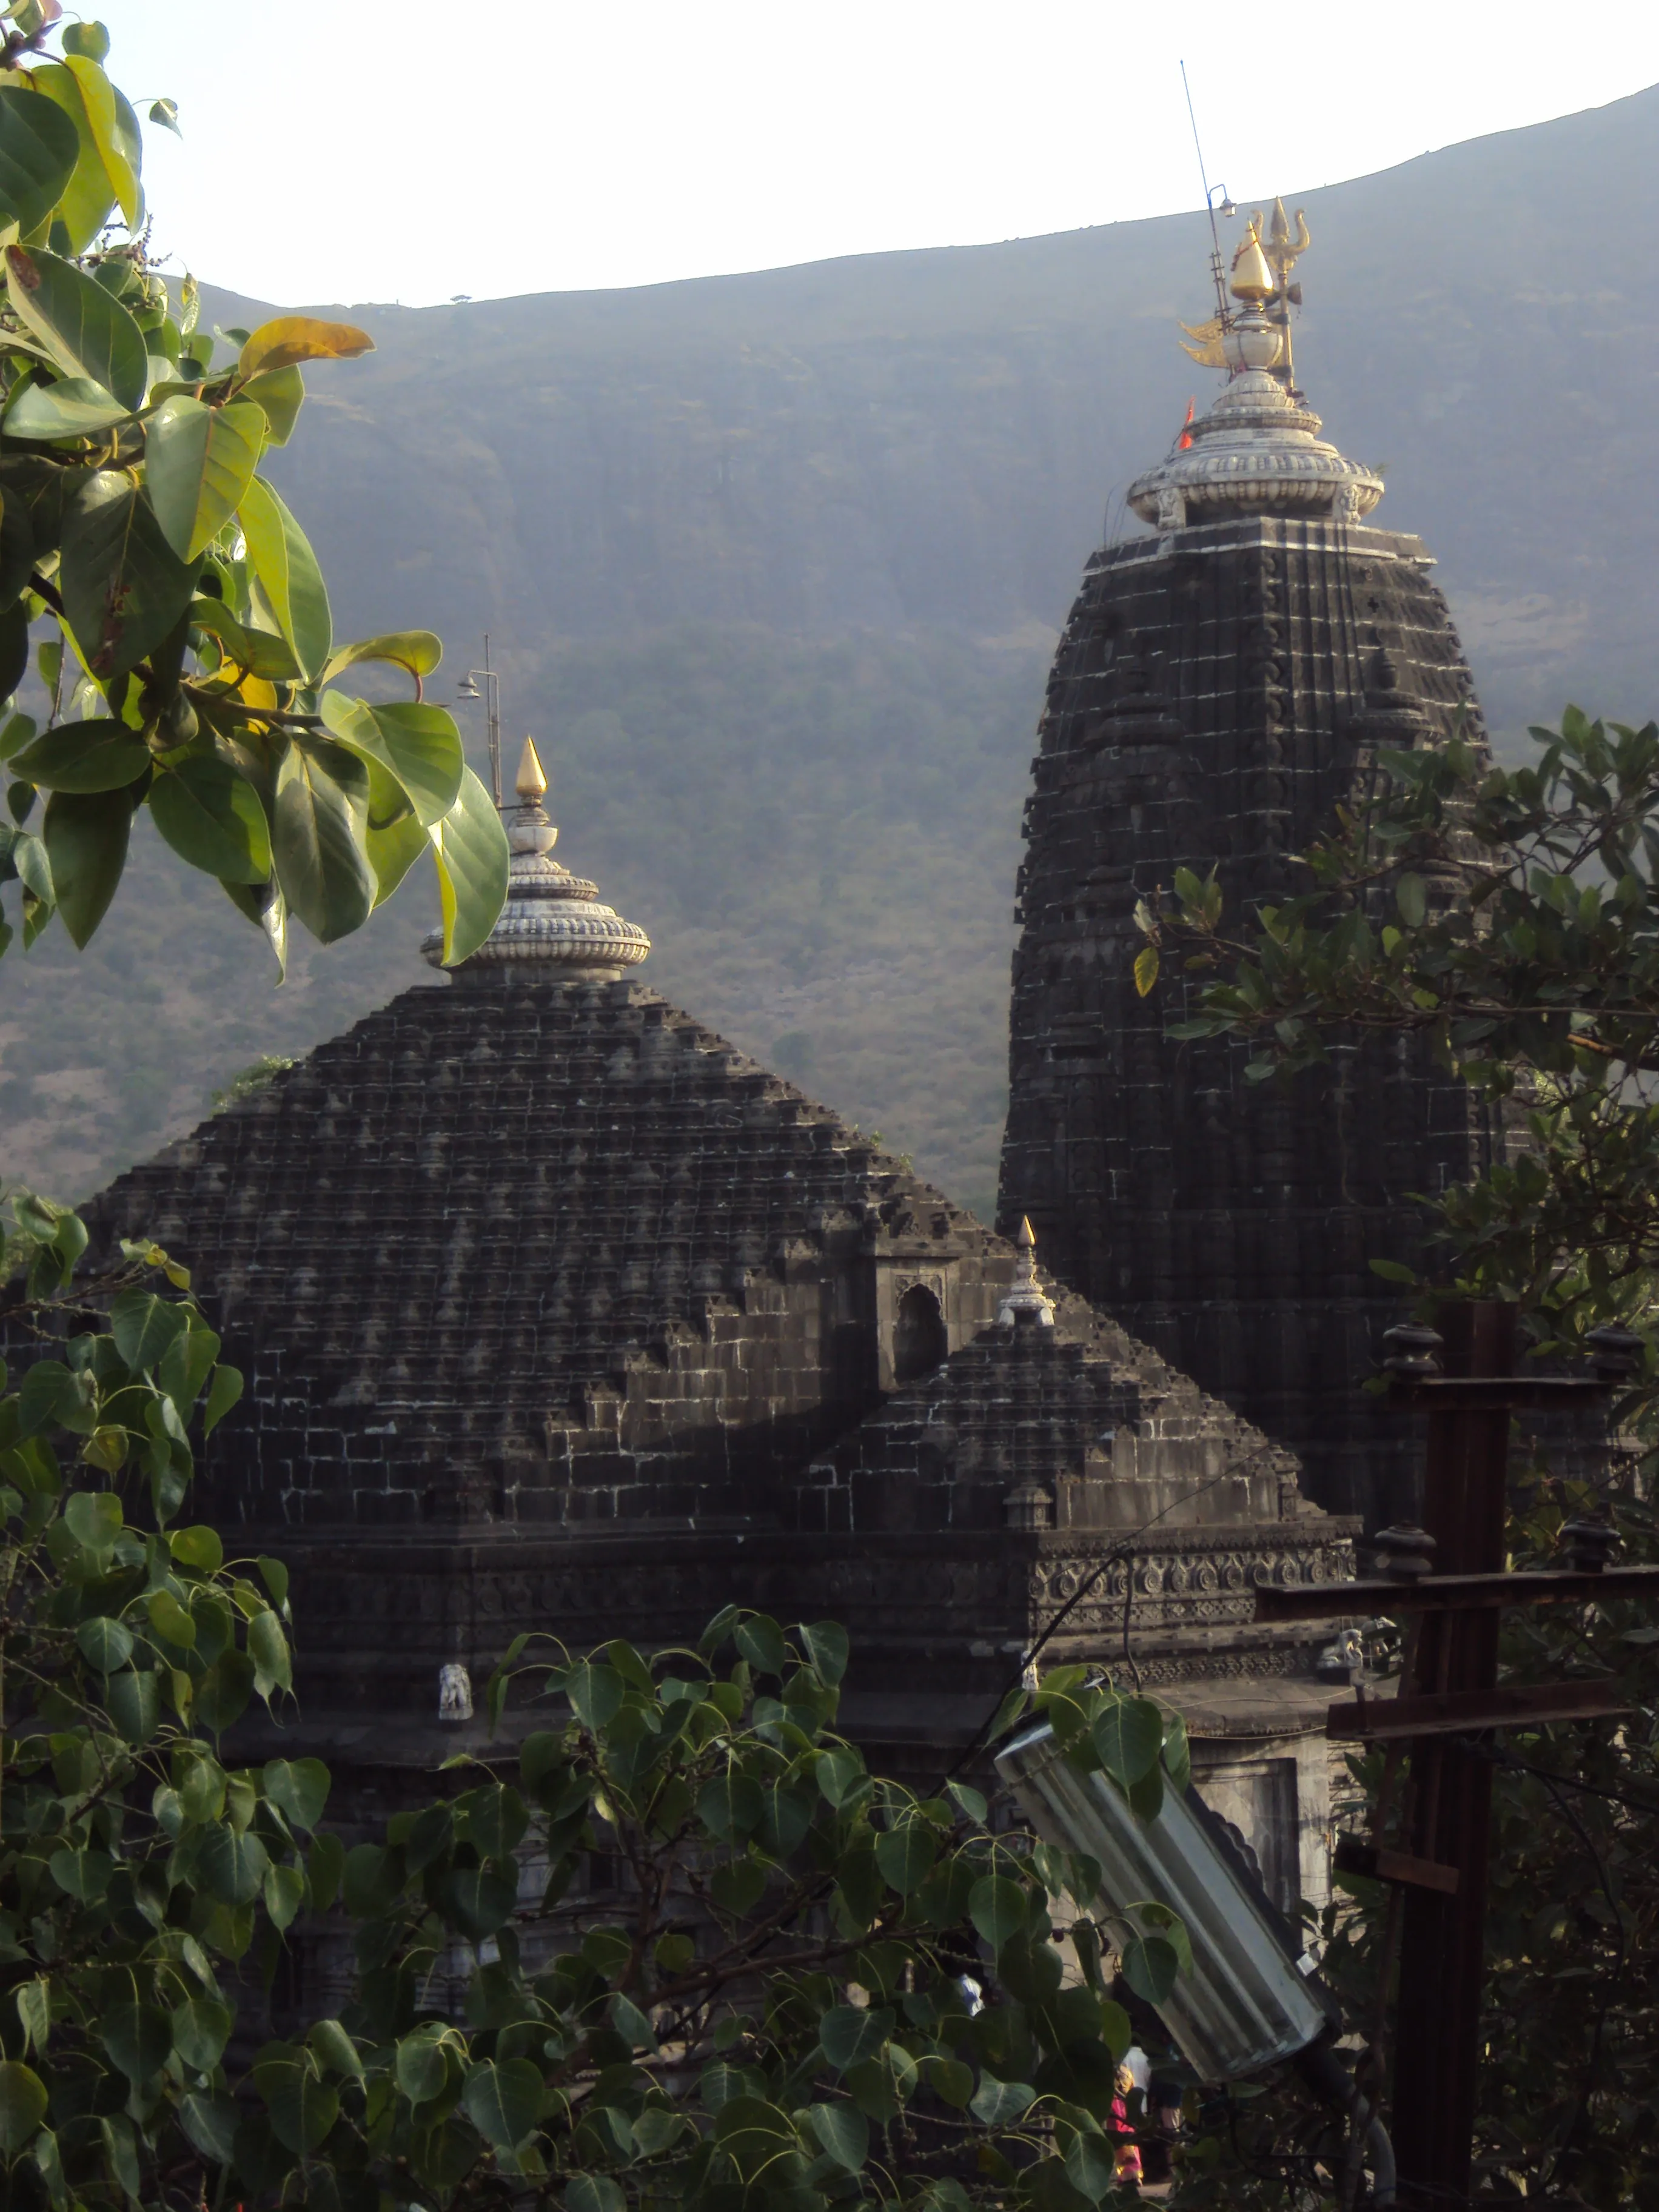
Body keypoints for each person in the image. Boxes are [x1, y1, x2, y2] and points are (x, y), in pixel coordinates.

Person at [1110, 2062, 1144, 2186]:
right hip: (1127, 2108)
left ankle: (1125, 2176)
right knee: (1131, 2142)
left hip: (1115, 2109)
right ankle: (1134, 2175)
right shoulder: (1127, 2072)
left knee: (1120, 2144)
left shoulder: (1110, 2074)